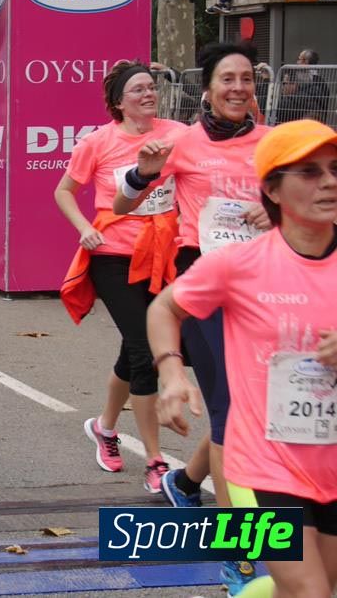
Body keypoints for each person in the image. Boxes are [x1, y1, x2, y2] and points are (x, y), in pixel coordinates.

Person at [149, 119, 337, 598]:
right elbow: (165, 307)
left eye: (335, 169)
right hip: (264, 465)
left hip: (331, 461)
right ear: (272, 189)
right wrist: (172, 373)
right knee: (311, 593)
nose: (330, 181)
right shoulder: (239, 264)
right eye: (310, 172)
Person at [115, 41, 272, 596]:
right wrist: (143, 173)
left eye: (246, 79)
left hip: (265, 291)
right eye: (227, 79)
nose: (237, 88)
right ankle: (242, 557)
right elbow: (120, 206)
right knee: (233, 413)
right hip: (201, 287)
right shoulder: (182, 142)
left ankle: (186, 481)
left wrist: (273, 210)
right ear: (206, 89)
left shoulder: (274, 144)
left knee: (256, 407)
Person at [56, 61, 185, 494]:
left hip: (163, 255)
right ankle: (155, 460)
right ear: (118, 101)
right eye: (138, 90)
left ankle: (105, 427)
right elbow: (64, 191)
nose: (149, 95)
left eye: (152, 88)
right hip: (113, 257)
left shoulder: (176, 134)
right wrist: (84, 228)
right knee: (145, 350)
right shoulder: (98, 142)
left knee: (134, 354)